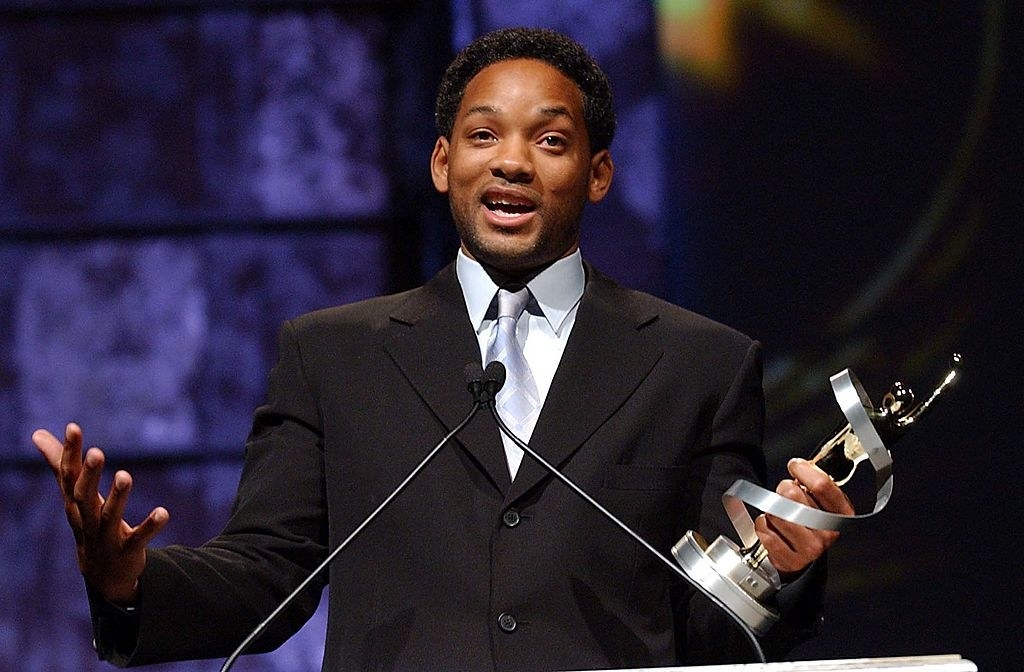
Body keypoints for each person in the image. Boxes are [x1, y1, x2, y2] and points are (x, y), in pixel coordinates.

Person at [34, 27, 853, 670]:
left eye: (551, 141)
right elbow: (265, 578)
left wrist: (779, 570)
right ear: (442, 162)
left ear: (600, 174)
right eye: (483, 134)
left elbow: (709, 632)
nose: (512, 162)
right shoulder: (333, 356)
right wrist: (130, 583)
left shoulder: (699, 363)